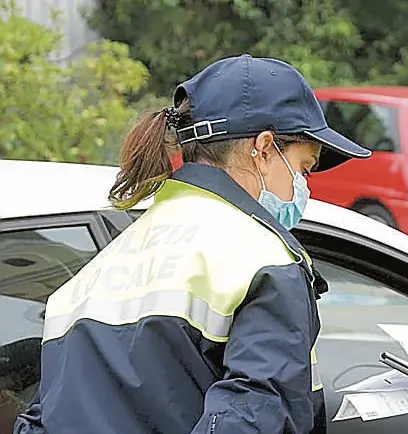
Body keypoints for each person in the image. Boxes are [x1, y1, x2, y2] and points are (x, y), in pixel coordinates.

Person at [13, 55, 370, 434]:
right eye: (304, 168)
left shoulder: (99, 268)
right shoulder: (262, 256)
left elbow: (41, 420)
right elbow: (257, 417)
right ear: (265, 149)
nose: (304, 188)